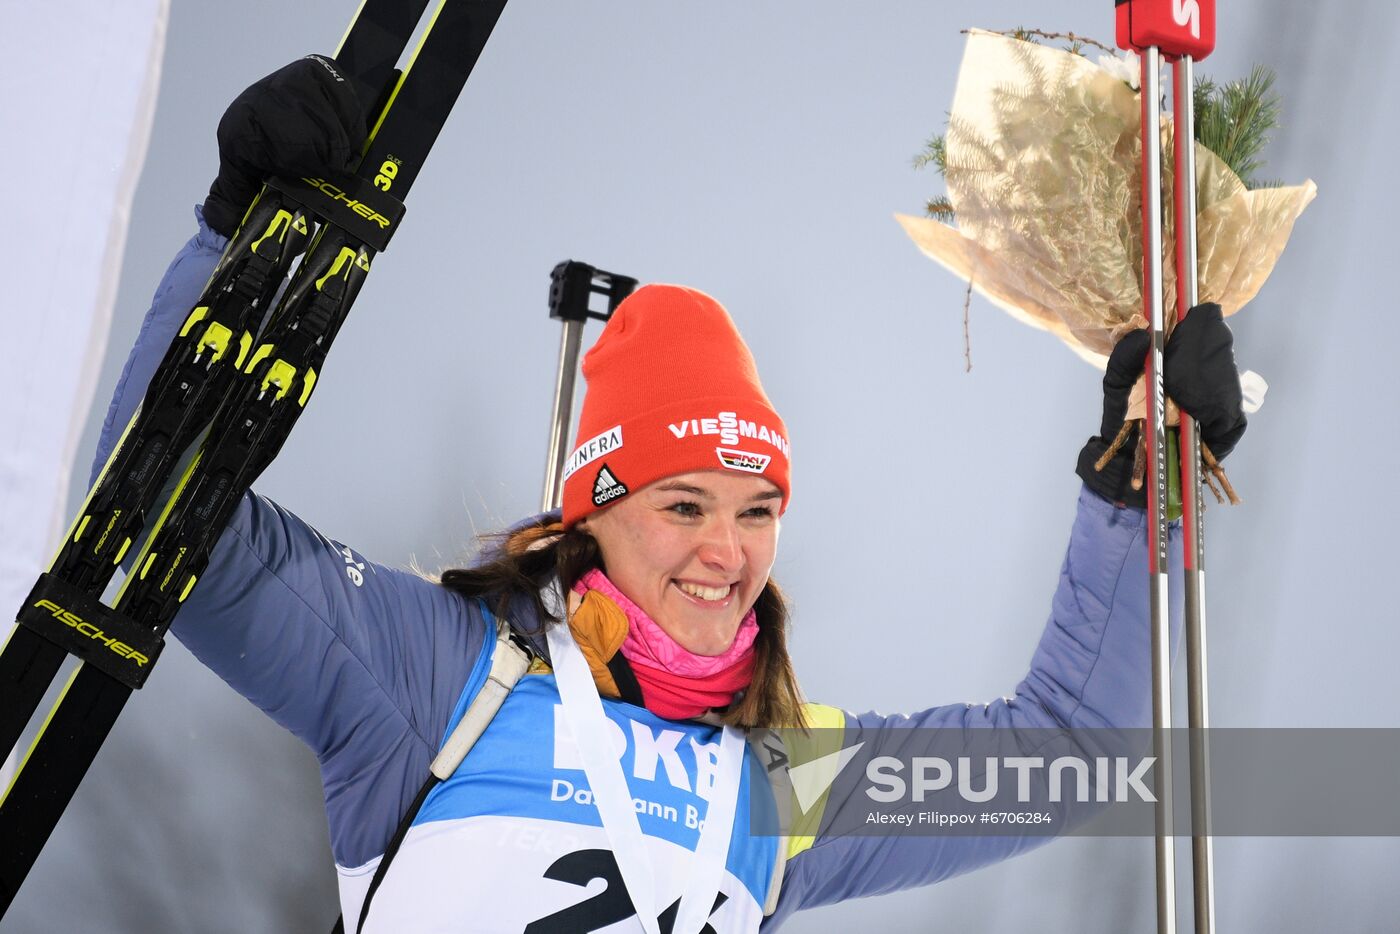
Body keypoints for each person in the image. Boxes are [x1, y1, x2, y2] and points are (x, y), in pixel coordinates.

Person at [93, 57, 1247, 932]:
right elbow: (156, 519)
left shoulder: (776, 780)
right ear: (588, 511)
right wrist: (236, 235)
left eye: (755, 510)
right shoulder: (436, 671)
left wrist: (1135, 491)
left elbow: (1064, 754)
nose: (724, 552)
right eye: (682, 505)